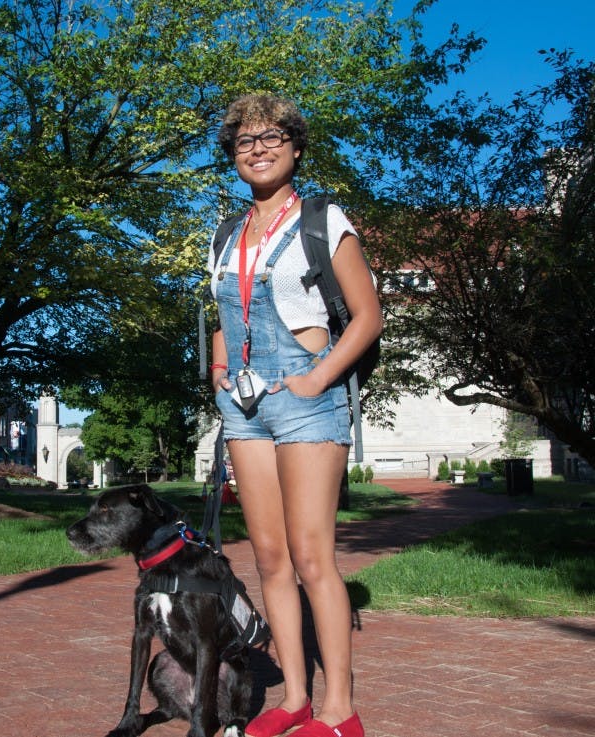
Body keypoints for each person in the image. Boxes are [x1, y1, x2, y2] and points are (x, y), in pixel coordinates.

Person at [208, 94, 382, 737]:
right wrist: (220, 373)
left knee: (313, 558)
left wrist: (316, 380)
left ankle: (340, 711)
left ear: (296, 147)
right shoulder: (226, 233)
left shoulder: (322, 218)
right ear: (233, 155)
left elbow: (368, 317)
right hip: (244, 408)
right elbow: (225, 316)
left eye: (271, 136)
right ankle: (295, 700)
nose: (257, 148)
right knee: (270, 558)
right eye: (244, 140)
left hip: (306, 397)